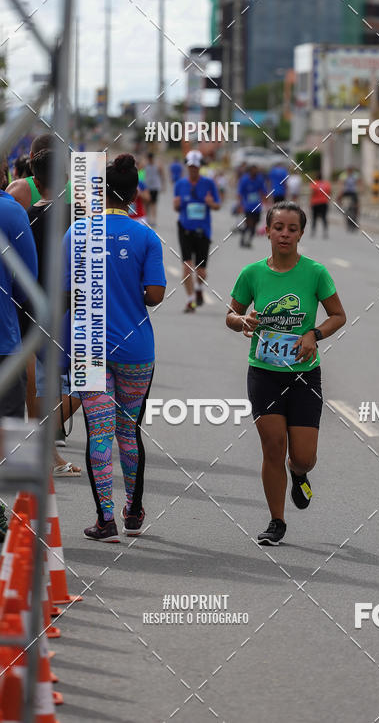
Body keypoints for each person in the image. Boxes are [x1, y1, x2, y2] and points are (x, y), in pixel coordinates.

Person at [226, 202, 346, 545]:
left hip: (304, 376)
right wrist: (242, 320)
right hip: (264, 373)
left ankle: (299, 473)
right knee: (273, 446)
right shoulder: (252, 273)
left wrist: (315, 334)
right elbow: (230, 316)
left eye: (292, 229)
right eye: (279, 227)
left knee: (304, 456)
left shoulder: (315, 272)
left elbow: (338, 315)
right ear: (267, 230)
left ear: (301, 234)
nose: (285, 234)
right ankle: (276, 520)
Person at [63, 154, 166, 541]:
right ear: (135, 193)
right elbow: (154, 294)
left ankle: (105, 520)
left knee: (99, 433)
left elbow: (62, 293)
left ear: (99, 192)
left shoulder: (76, 233)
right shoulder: (146, 235)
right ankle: (134, 512)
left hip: (90, 344)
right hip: (137, 348)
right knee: (129, 431)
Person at [26, 149, 82, 476]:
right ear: (65, 178)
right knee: (76, 383)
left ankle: (47, 454)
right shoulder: (76, 217)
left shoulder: (26, 216)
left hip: (37, 308)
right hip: (72, 311)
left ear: (35, 180)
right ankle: (46, 455)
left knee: (45, 384)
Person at [0, 155, 37, 541]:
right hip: (2, 336)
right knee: (9, 428)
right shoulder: (11, 213)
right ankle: (13, 517)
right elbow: (30, 280)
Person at [174, 150, 220, 312]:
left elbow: (217, 205)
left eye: (196, 167)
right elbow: (175, 207)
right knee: (187, 266)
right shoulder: (180, 185)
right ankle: (190, 300)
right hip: (185, 229)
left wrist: (210, 202)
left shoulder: (209, 184)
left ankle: (199, 289)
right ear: (187, 167)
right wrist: (177, 204)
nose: (193, 169)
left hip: (203, 231)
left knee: (201, 271)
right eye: (190, 167)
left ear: (200, 167)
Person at [238, 164, 266, 249]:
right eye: (253, 171)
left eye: (256, 171)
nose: (255, 172)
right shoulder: (244, 179)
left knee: (255, 224)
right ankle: (246, 241)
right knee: (249, 223)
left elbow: (263, 191)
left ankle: (245, 236)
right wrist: (240, 205)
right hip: (247, 206)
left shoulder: (259, 179)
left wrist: (265, 201)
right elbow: (240, 193)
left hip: (257, 206)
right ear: (250, 171)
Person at [143, 152, 164, 226]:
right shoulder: (145, 165)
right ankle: (147, 219)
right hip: (147, 187)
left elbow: (162, 175)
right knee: (146, 204)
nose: (149, 160)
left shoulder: (158, 166)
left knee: (153, 204)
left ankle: (153, 220)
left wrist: (163, 185)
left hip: (155, 187)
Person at [338, 166, 360, 231]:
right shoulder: (343, 175)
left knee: (357, 207)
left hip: (353, 192)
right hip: (346, 192)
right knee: (345, 207)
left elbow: (359, 183)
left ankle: (356, 217)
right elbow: (340, 184)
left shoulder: (355, 175)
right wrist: (340, 193)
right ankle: (342, 208)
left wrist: (360, 189)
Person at [309, 171, 331, 237]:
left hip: (315, 203)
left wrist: (310, 202)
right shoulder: (327, 184)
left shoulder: (314, 184)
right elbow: (330, 192)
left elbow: (312, 193)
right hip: (324, 202)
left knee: (314, 218)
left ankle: (313, 231)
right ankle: (325, 231)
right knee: (324, 217)